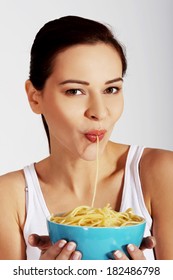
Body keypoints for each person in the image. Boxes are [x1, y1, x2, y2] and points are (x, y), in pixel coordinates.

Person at [0, 15, 172, 260]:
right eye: (75, 91)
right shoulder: (9, 197)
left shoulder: (161, 172)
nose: (99, 112)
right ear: (35, 97)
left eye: (111, 89)